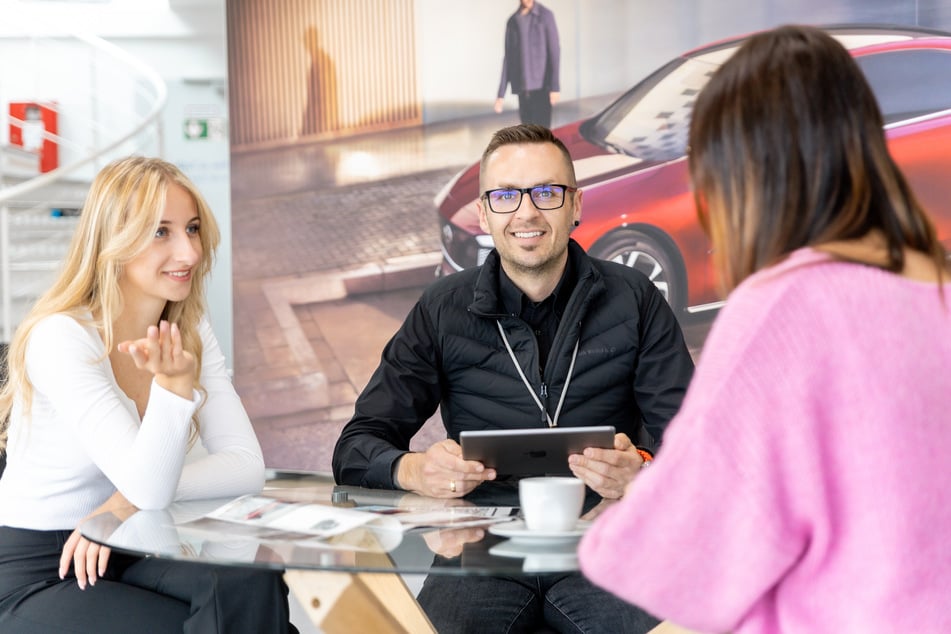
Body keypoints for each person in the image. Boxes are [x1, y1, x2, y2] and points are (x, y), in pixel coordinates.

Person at [579, 24, 951, 633]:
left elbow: (666, 558)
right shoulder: (936, 294)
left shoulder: (790, 307)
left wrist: (623, 508)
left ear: (743, 174)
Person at [333, 123, 695, 632]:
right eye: (505, 195)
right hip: (482, 548)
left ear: (576, 205)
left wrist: (641, 471)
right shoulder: (442, 308)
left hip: (606, 542)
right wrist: (415, 471)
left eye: (547, 192)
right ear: (483, 212)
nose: (526, 212)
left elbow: (694, 445)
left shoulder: (634, 299)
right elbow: (356, 445)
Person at [0, 156, 297, 633]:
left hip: (128, 541)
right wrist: (174, 389)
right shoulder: (62, 336)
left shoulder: (188, 324)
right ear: (112, 241)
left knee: (249, 581)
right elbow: (147, 487)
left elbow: (245, 467)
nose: (189, 253)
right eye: (161, 232)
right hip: (40, 565)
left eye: (193, 229)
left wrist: (120, 506)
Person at [494, 0, 561, 128]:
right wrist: (500, 94)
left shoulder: (545, 16)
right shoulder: (512, 21)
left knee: (542, 136)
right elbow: (508, 59)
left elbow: (554, 52)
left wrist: (554, 87)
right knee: (528, 136)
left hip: (542, 90)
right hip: (522, 90)